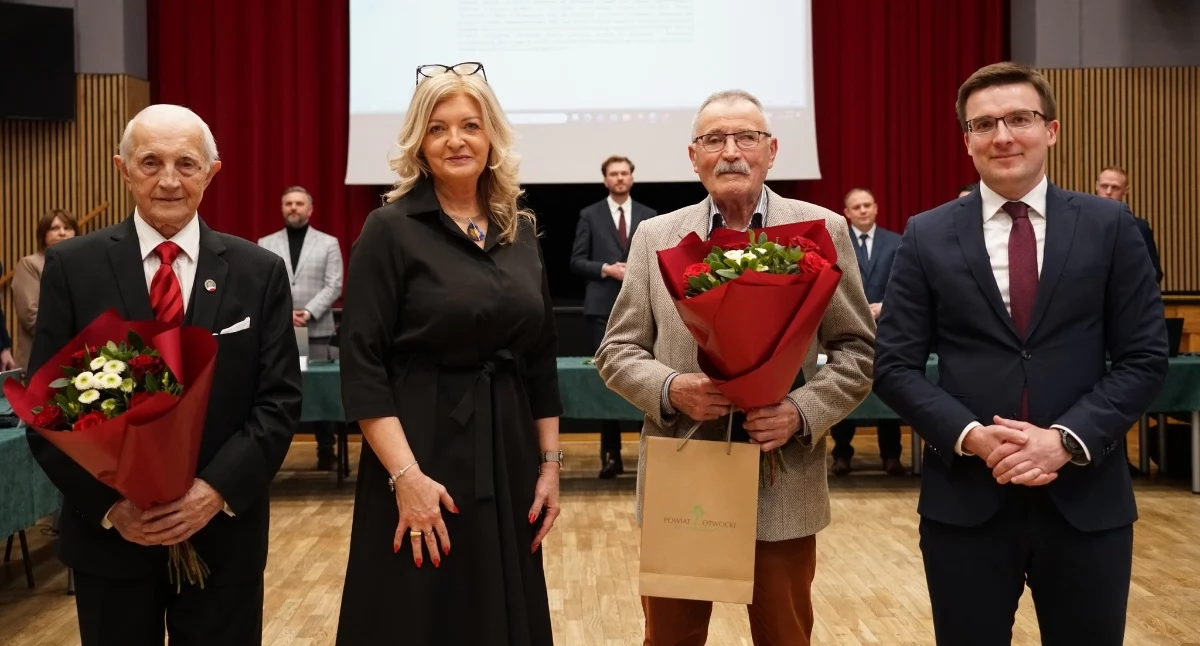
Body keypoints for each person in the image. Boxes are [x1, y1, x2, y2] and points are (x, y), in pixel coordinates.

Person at [873, 62, 1168, 646]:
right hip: (966, 502)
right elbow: (894, 366)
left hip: (1086, 500)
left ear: (1051, 130)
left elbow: (1144, 358)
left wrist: (1065, 440)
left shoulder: (1111, 226)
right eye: (984, 124)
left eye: (1019, 119)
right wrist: (973, 437)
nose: (1002, 136)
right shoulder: (926, 234)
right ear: (967, 141)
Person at [594, 89, 875, 645]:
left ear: (772, 150)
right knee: (670, 637)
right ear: (692, 156)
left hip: (783, 478)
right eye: (713, 140)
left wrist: (800, 412)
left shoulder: (822, 229)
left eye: (746, 137)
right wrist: (672, 388)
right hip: (685, 474)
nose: (730, 152)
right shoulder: (657, 237)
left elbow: (858, 351)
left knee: (785, 636)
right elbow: (617, 351)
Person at [25, 104, 303, 646]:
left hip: (223, 538)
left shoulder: (259, 272)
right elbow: (46, 407)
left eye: (186, 164)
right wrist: (113, 508)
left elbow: (278, 402)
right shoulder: (73, 268)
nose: (169, 180)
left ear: (212, 172)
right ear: (123, 169)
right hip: (112, 544)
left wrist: (212, 492)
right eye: (151, 162)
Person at [336, 62, 563, 646]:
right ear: (419, 143)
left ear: (492, 138)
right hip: (420, 448)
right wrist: (406, 477)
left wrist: (549, 467)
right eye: (438, 128)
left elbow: (540, 360)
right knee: (419, 609)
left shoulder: (521, 231)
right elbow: (362, 367)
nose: (456, 140)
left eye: (470, 125)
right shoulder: (388, 230)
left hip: (508, 451)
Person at [569, 154, 656, 478]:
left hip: (642, 306)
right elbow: (576, 261)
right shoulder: (589, 215)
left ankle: (649, 455)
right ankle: (611, 455)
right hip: (602, 309)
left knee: (645, 379)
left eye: (624, 173)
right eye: (613, 174)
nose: (619, 178)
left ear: (631, 178)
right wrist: (607, 268)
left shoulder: (649, 216)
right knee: (608, 383)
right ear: (605, 180)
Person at [257, 185, 345, 469]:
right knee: (280, 389)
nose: (293, 208)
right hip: (279, 331)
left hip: (316, 329)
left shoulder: (328, 243)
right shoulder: (265, 243)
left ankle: (326, 450)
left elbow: (334, 284)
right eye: (288, 203)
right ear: (282, 208)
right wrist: (285, 315)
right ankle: (275, 454)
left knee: (321, 390)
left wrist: (306, 312)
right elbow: (261, 285)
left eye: (298, 203)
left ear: (310, 209)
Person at [830, 188, 904, 476]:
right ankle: (841, 454)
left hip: (888, 330)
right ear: (846, 213)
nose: (862, 210)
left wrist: (886, 306)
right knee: (844, 385)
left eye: (866, 205)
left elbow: (905, 284)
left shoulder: (896, 242)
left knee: (888, 390)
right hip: (847, 327)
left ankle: (891, 455)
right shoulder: (837, 243)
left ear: (876, 208)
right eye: (856, 207)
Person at [12, 208, 78, 369]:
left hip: (75, 360)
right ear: (43, 235)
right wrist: (72, 342)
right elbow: (31, 316)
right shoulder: (30, 264)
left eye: (68, 228)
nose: (62, 233)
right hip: (40, 361)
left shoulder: (81, 265)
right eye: (54, 228)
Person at [1095, 166, 1163, 283]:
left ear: (1126, 190)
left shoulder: (1139, 228)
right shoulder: (1080, 223)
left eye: (1115, 187)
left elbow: (1154, 273)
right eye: (1104, 186)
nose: (1108, 192)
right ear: (1097, 186)